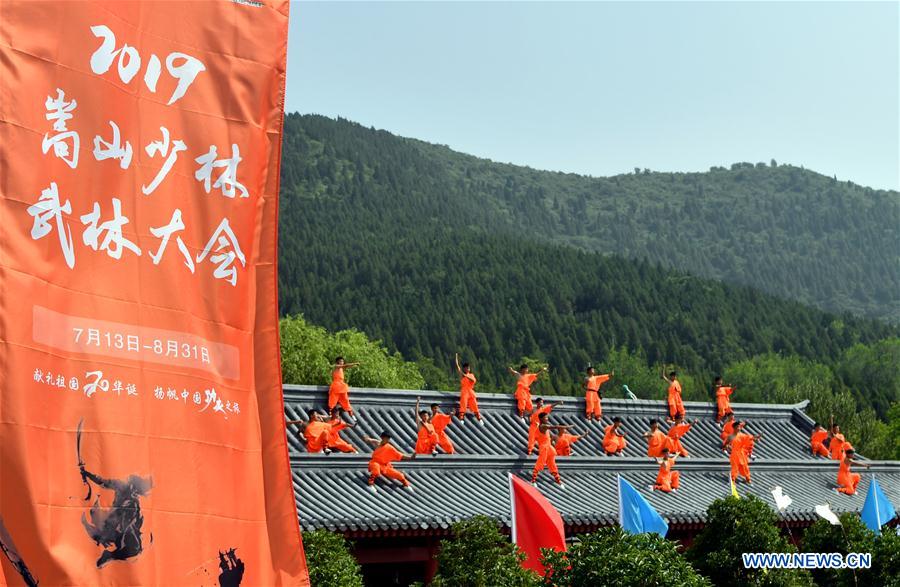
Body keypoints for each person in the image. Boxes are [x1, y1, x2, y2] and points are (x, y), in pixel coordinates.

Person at [531, 412, 569, 487]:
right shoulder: (543, 426)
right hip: (544, 448)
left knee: (552, 464)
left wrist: (553, 441)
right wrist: (564, 427)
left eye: (547, 417)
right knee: (540, 463)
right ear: (541, 419)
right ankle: (533, 480)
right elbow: (553, 427)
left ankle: (558, 479)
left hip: (549, 448)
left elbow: (549, 436)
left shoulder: (546, 428)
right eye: (546, 417)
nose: (547, 419)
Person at [455, 354, 482, 424]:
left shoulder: (471, 375)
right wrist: (456, 358)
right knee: (463, 403)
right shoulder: (462, 375)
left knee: (474, 404)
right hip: (464, 391)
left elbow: (473, 380)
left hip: (470, 391)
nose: (467, 369)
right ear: (464, 369)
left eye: (468, 368)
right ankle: (461, 417)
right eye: (466, 368)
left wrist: (466, 376)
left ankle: (478, 417)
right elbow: (458, 367)